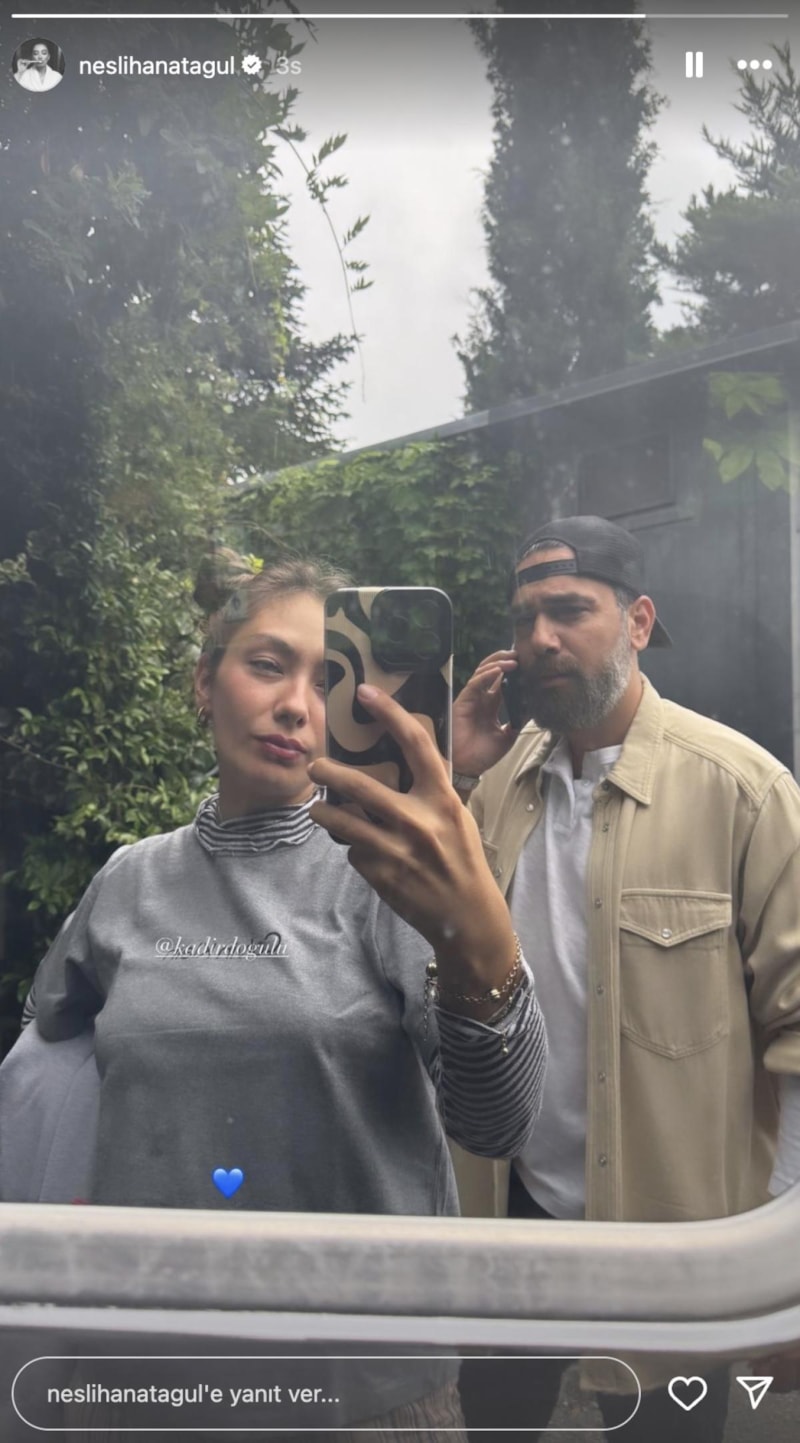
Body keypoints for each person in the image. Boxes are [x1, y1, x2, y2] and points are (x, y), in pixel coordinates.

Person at [0, 554, 547, 1439]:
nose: (296, 704)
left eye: (327, 680)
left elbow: (497, 1122)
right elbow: (44, 1048)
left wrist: (479, 946)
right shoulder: (128, 881)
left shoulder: (387, 875)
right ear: (204, 682)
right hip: (143, 1381)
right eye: (266, 664)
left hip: (362, 1389)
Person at [450, 515, 800, 1443]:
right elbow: (414, 946)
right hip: (510, 1206)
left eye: (570, 610)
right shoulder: (494, 784)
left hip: (668, 1229)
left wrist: (782, 1252)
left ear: (639, 621)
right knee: (495, 1424)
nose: (540, 639)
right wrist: (449, 771)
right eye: (524, 617)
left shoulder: (743, 790)